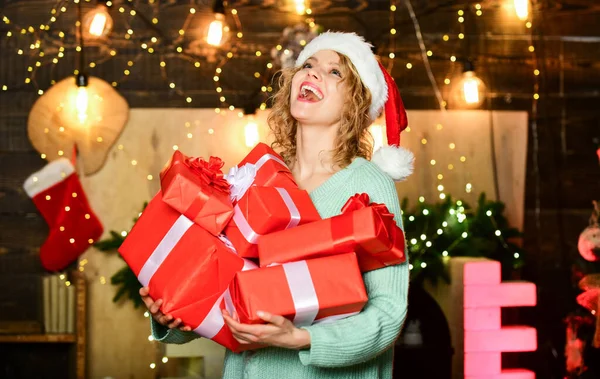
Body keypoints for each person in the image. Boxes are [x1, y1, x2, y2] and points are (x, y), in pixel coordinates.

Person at [140, 31, 414, 379]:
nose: (312, 73)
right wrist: (171, 319)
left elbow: (388, 312)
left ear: (356, 102)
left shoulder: (369, 184)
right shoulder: (256, 173)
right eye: (308, 65)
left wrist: (302, 338)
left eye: (334, 72)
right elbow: (221, 292)